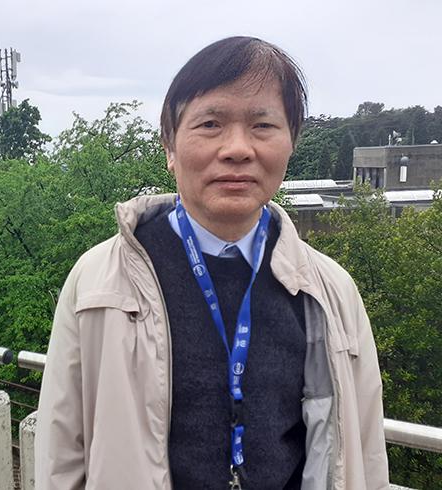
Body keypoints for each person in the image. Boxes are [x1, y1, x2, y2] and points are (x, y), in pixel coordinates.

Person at [35, 36, 389, 489]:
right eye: (210, 124)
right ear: (169, 145)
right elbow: (61, 455)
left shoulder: (329, 291)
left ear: (291, 143)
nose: (238, 148)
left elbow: (363, 451)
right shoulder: (100, 283)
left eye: (263, 126)